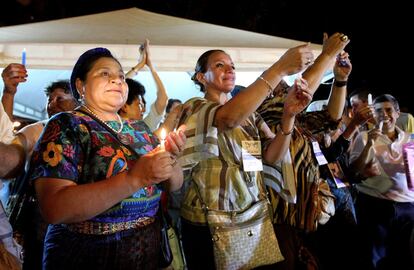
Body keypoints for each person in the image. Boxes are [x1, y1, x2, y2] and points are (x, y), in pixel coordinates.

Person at [28, 47, 186, 270]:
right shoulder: (66, 125)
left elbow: (174, 184)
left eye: (121, 76)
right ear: (81, 86)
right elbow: (55, 208)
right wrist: (134, 179)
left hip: (148, 251)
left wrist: (172, 159)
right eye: (104, 73)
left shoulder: (139, 128)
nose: (117, 80)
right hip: (87, 256)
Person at [177, 44, 314, 269]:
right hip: (209, 222)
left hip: (251, 215)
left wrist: (289, 116)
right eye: (220, 65)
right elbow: (227, 119)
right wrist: (279, 68)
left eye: (232, 65)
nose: (229, 69)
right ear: (201, 77)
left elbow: (271, 156)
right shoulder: (194, 108)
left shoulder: (250, 116)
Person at [256, 32, 354, 269]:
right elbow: (292, 98)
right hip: (283, 216)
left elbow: (331, 117)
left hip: (309, 209)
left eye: (284, 86)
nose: (283, 89)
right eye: (276, 89)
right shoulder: (264, 123)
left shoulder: (300, 124)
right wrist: (327, 54)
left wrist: (340, 81)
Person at [350, 94, 414, 269]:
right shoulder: (363, 137)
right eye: (378, 111)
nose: (384, 115)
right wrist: (370, 143)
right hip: (375, 204)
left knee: (404, 257)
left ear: (398, 112)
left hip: (407, 207)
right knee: (374, 258)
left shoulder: (410, 139)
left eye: (388, 110)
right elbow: (353, 171)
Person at [123, 39, 168, 130]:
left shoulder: (144, 127)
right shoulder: (110, 124)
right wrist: (139, 65)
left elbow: (163, 98)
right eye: (139, 105)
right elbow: (119, 87)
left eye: (143, 106)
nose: (143, 110)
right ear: (124, 106)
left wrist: (150, 65)